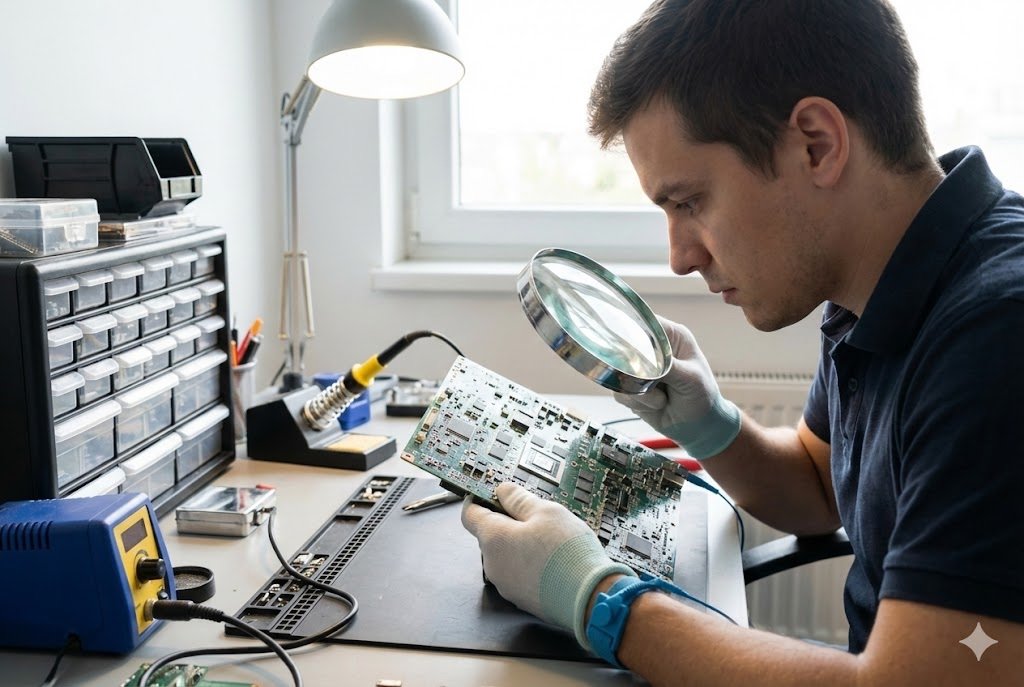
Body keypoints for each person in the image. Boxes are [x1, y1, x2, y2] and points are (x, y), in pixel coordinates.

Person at [461, 0, 1024, 684]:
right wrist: (709, 423)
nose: (680, 257)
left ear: (816, 144)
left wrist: (600, 600)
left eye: (689, 202)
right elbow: (819, 487)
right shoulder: (875, 279)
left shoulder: (997, 337)